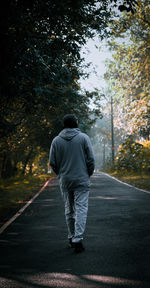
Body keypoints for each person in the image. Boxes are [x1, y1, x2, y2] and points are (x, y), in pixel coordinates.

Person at [49, 114, 95, 253]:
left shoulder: (56, 141)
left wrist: (61, 174)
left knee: (69, 209)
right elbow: (91, 159)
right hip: (81, 179)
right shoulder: (83, 138)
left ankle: (71, 236)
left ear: (64, 125)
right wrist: (88, 173)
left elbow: (52, 162)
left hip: (65, 180)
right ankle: (78, 239)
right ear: (76, 123)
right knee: (81, 208)